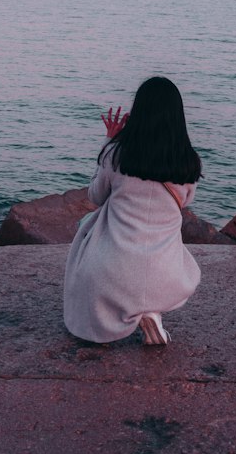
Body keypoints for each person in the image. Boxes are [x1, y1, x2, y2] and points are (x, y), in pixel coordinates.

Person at [63, 75, 203, 346]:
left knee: (86, 228)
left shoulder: (117, 154)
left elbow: (95, 196)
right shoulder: (188, 162)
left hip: (111, 271)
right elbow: (184, 202)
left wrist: (109, 141)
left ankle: (120, 312)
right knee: (156, 261)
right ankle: (151, 311)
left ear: (138, 112)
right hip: (166, 275)